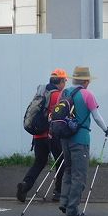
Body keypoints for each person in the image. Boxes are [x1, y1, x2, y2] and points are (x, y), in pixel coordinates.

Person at [57, 66, 108, 216]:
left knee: (68, 170)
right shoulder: (87, 95)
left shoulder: (64, 92)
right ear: (86, 81)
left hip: (65, 138)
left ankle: (65, 202)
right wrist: (106, 129)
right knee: (79, 175)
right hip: (80, 139)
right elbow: (96, 117)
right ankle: (72, 210)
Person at [16, 69, 68, 203]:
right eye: (65, 81)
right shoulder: (57, 96)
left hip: (38, 136)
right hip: (51, 135)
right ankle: (58, 192)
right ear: (61, 82)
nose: (65, 84)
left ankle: (25, 185)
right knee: (61, 161)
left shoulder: (41, 93)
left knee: (39, 162)